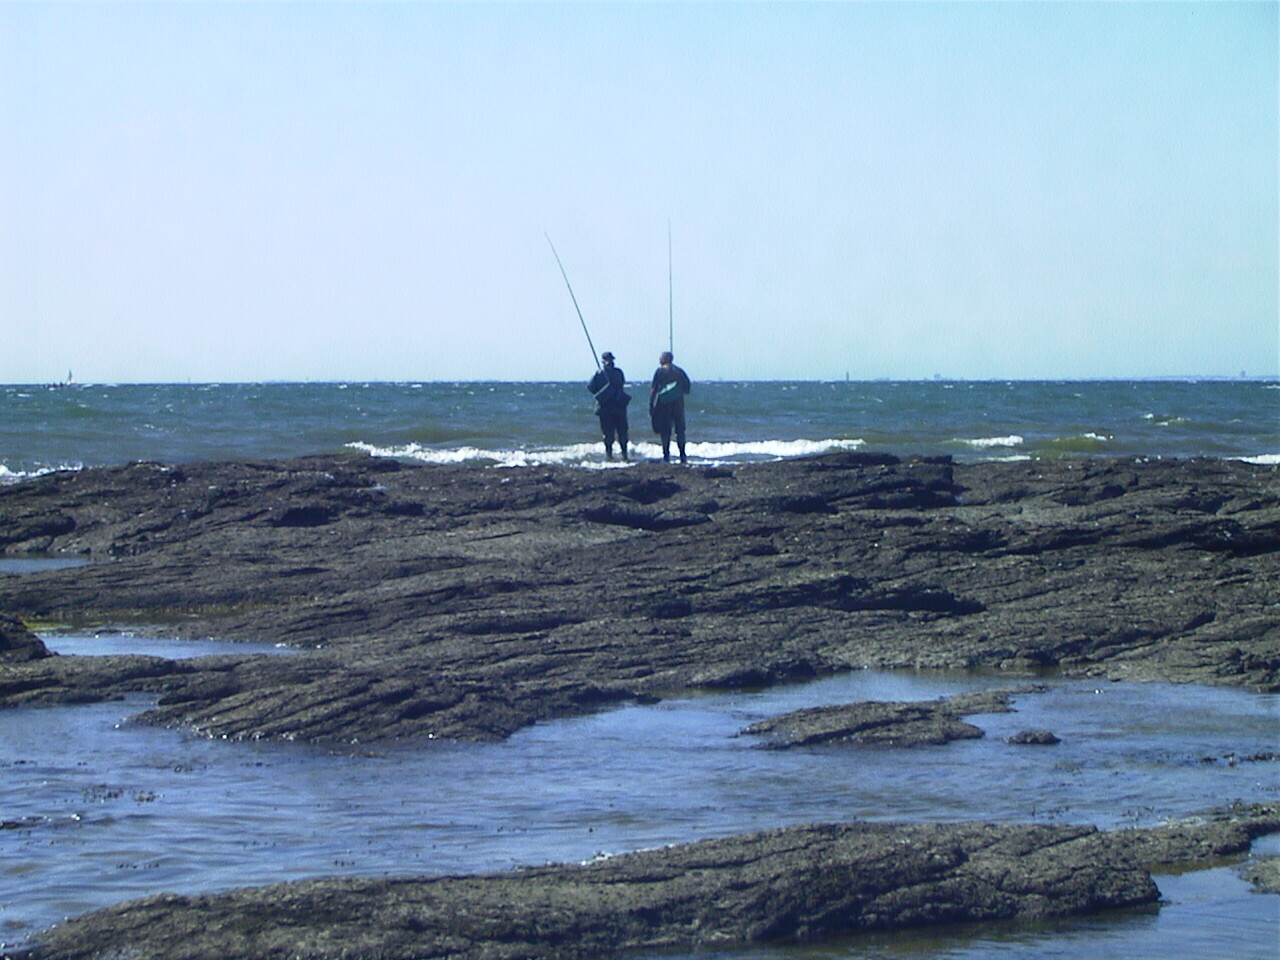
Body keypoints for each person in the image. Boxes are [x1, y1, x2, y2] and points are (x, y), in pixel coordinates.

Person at [649, 350, 691, 463]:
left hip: (664, 405)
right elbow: (687, 388)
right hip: (678, 404)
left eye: (661, 358)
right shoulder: (680, 371)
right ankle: (682, 455)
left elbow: (654, 389)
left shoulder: (659, 371)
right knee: (680, 430)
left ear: (665, 359)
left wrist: (651, 404)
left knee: (665, 431)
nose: (659, 360)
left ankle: (666, 456)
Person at [588, 351, 630, 461]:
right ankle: (623, 455)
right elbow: (622, 384)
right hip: (618, 406)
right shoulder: (618, 372)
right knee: (621, 432)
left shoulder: (599, 373)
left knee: (609, 433)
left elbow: (591, 387)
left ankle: (610, 455)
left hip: (606, 407)